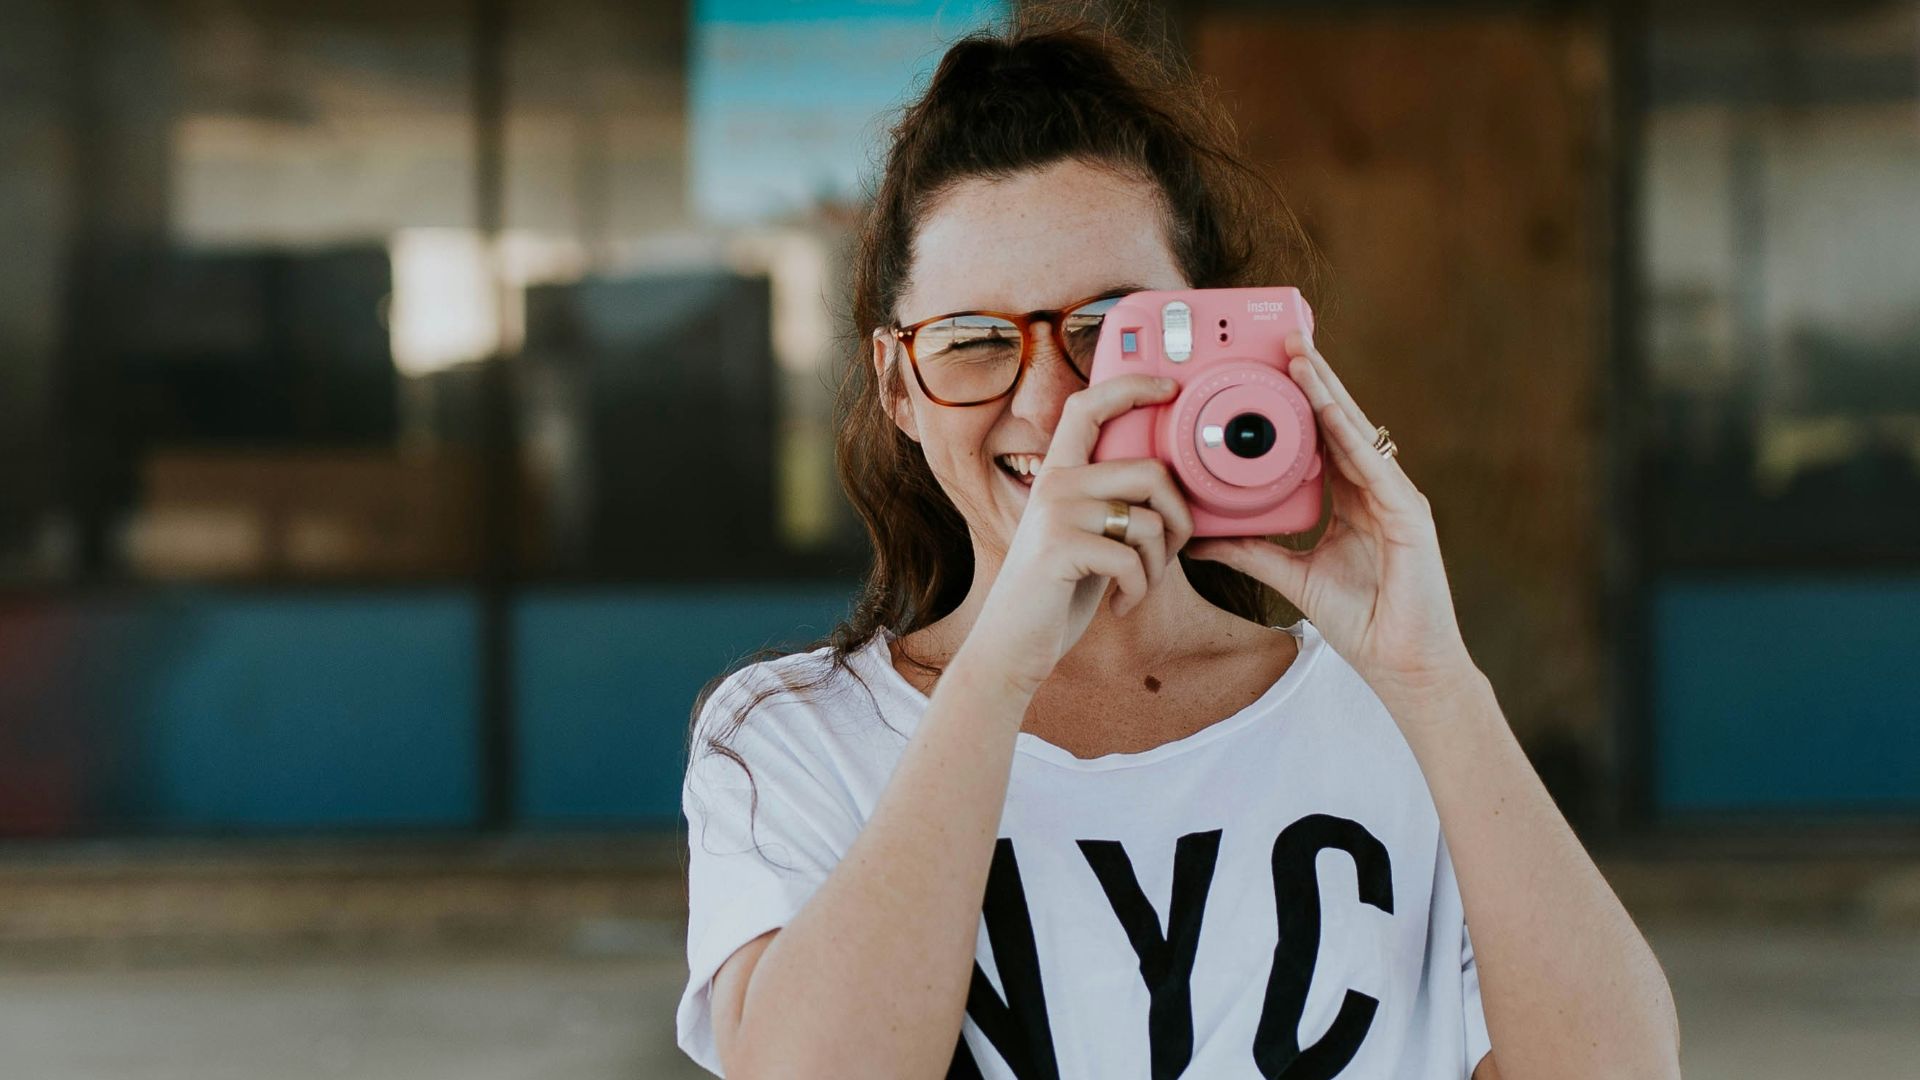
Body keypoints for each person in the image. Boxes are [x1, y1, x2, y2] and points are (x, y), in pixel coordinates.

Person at [677, 12, 1680, 1080]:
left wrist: (1434, 681)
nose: (1053, 403)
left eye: (1111, 329)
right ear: (897, 386)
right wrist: (1003, 662)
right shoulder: (794, 740)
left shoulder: (1393, 721)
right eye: (972, 342)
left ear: (1214, 337)